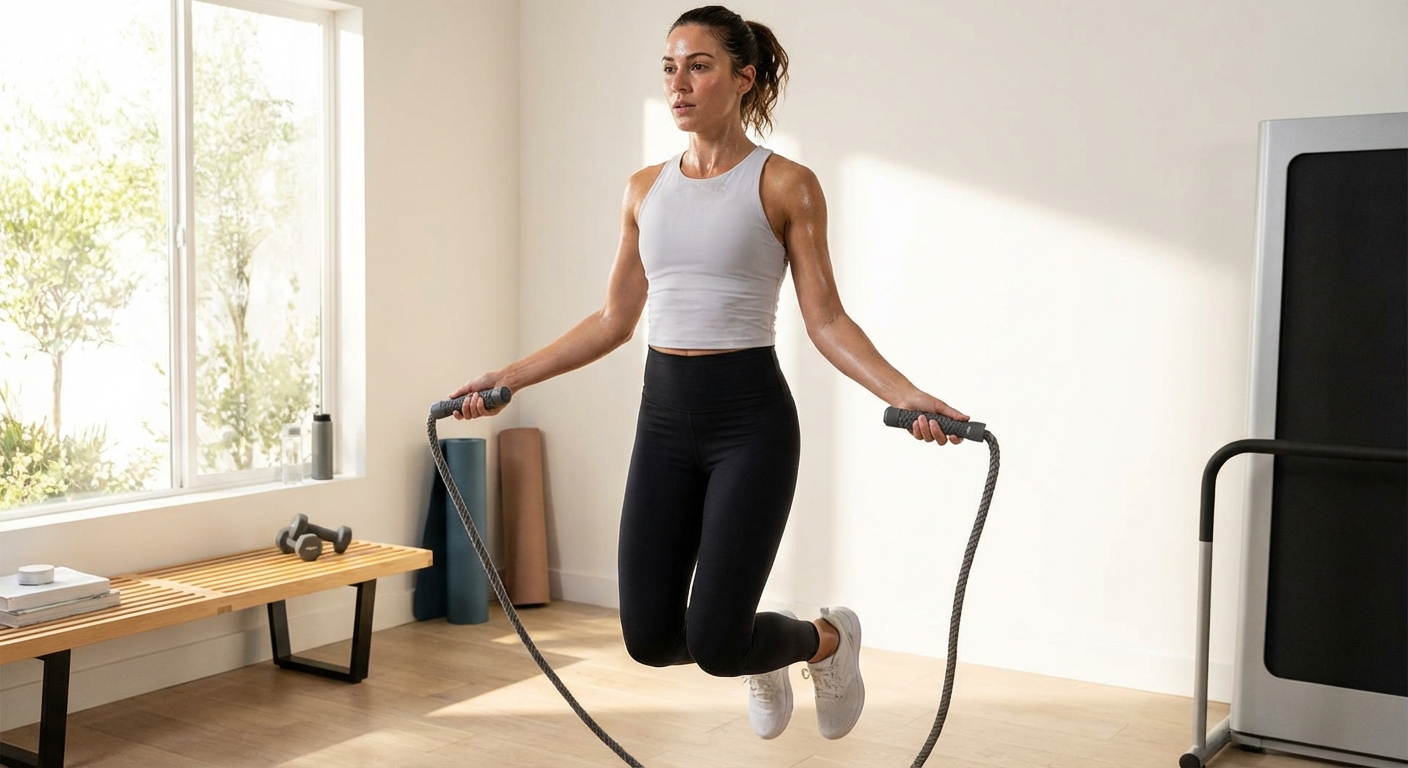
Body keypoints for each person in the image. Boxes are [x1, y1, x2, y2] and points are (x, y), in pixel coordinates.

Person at [450, 4, 968, 742]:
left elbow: (826, 321)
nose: (679, 83)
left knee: (719, 641)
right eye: (669, 67)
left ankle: (828, 640)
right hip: (663, 424)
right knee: (652, 639)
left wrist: (906, 394)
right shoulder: (643, 190)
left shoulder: (787, 184)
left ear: (743, 77)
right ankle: (778, 644)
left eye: (699, 66)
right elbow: (611, 322)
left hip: (749, 425)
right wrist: (508, 376)